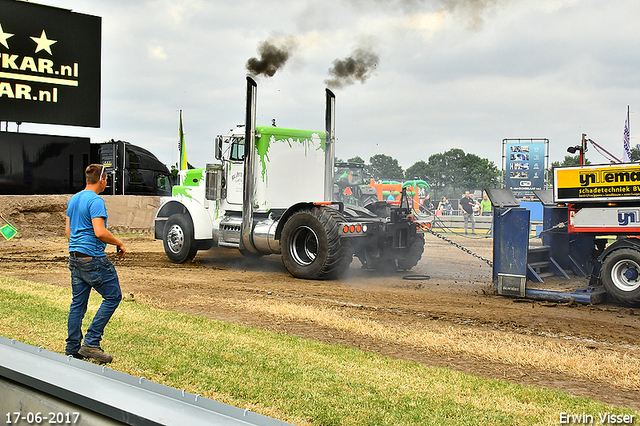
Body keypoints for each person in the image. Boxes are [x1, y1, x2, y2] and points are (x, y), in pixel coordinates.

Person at [65, 164, 126, 363]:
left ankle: (72, 348)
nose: (106, 182)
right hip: (93, 258)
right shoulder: (96, 201)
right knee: (113, 296)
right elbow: (99, 232)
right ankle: (91, 343)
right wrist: (119, 242)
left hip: (75, 257)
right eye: (106, 179)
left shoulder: (74, 199)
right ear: (101, 179)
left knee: (78, 303)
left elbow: (69, 233)